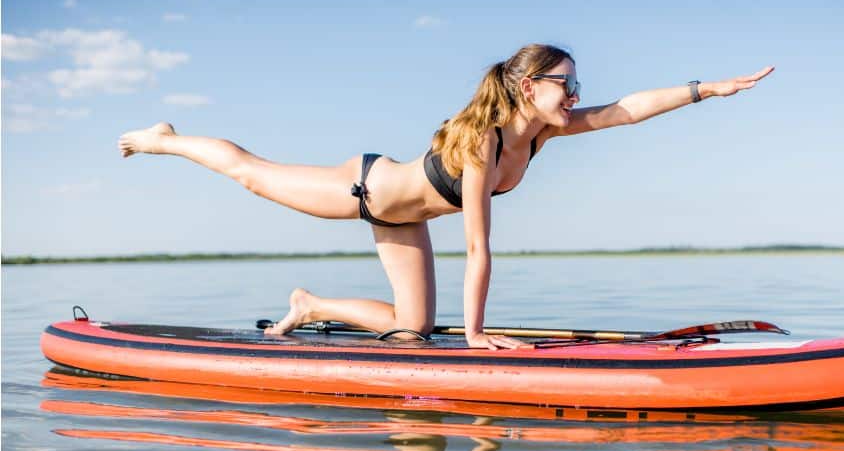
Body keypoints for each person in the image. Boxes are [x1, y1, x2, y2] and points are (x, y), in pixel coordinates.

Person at [119, 44, 772, 350]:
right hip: (363, 190)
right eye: (564, 83)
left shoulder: (548, 131)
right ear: (526, 87)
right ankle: (163, 140)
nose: (576, 93)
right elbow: (479, 246)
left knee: (414, 329)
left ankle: (308, 305)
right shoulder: (482, 142)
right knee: (252, 173)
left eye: (577, 84)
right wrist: (480, 336)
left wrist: (705, 89)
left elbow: (627, 110)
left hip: (404, 224)